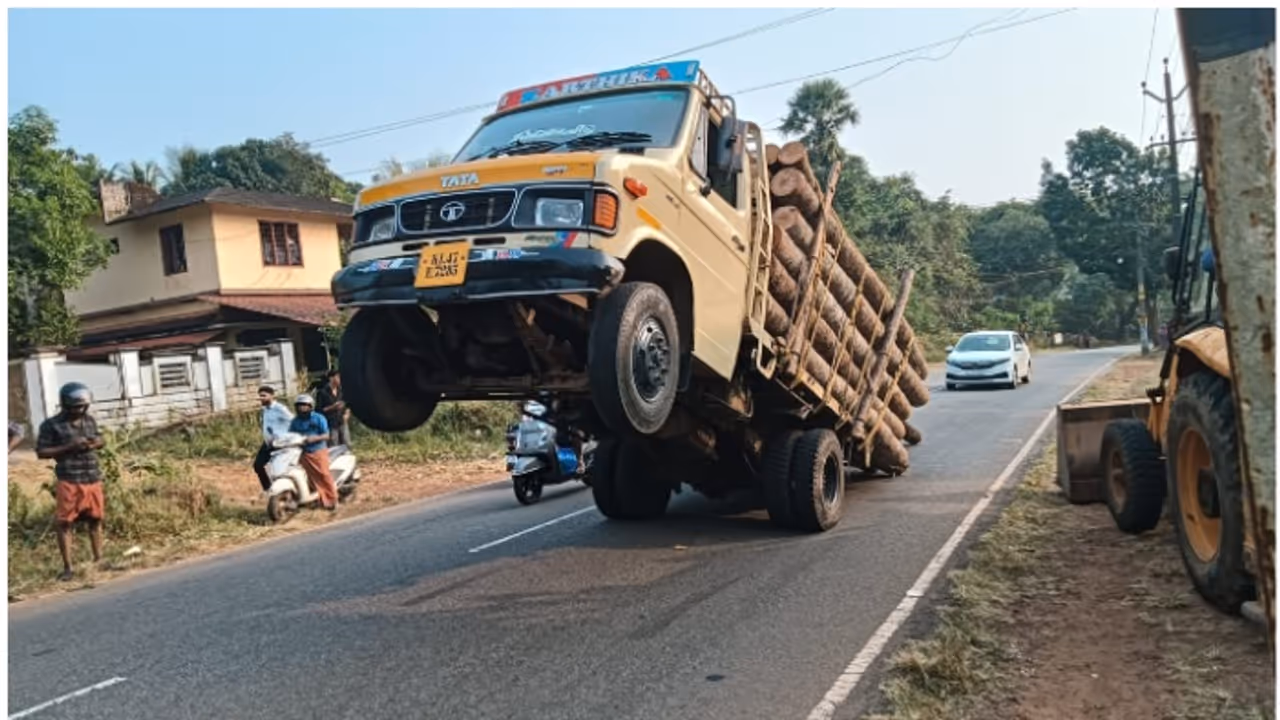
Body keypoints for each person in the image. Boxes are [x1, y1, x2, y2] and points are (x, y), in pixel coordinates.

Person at [35, 382, 106, 582]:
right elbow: (41, 452)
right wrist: (69, 446)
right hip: (69, 479)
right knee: (65, 523)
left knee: (96, 520)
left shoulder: (89, 421)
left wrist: (95, 443)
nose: (80, 410)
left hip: (92, 476)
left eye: (83, 406)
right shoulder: (51, 425)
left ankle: (99, 559)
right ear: (65, 405)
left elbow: (100, 439)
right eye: (76, 407)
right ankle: (68, 568)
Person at [289, 394, 337, 512]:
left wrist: (314, 438)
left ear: (310, 406)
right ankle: (318, 499)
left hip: (318, 450)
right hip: (303, 452)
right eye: (299, 406)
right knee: (309, 477)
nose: (302, 408)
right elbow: (291, 435)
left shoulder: (319, 418)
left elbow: (326, 435)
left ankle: (332, 500)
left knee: (324, 475)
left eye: (305, 406)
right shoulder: (295, 421)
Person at [253, 385, 294, 494]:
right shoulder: (264, 410)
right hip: (268, 443)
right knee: (257, 465)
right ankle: (267, 488)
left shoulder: (280, 409)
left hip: (279, 444)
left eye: (264, 396)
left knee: (277, 470)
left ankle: (282, 491)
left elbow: (293, 421)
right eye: (260, 396)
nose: (261, 398)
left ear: (271, 396)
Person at [316, 370, 350, 448]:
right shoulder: (322, 392)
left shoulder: (341, 390)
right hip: (330, 423)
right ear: (331, 378)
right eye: (338, 377)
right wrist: (332, 407)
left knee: (347, 443)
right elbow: (318, 410)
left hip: (342, 421)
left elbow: (348, 404)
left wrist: (347, 414)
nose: (340, 379)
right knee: (334, 445)